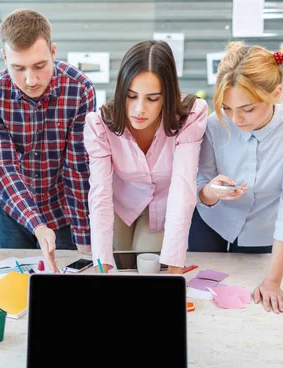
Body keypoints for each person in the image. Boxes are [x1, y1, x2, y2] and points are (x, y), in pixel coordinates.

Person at [188, 42, 283, 313]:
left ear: (275, 93)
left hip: (263, 225)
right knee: (199, 296)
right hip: (210, 220)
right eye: (226, 107)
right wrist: (211, 192)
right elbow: (200, 185)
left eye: (247, 109)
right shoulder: (214, 124)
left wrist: (273, 282)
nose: (235, 119)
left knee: (251, 304)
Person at [0, 9, 95, 272]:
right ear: (4, 57)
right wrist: (37, 224)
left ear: (53, 52)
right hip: (15, 213)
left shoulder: (79, 89)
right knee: (17, 286)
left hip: (64, 211)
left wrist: (84, 238)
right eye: (18, 68)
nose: (30, 80)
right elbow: (3, 166)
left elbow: (77, 168)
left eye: (39, 66)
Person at [84, 40, 208, 274]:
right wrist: (101, 265)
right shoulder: (100, 123)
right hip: (121, 206)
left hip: (163, 206)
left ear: (168, 96)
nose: (139, 109)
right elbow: (99, 194)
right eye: (131, 96)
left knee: (148, 269)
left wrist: (174, 269)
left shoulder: (190, 115)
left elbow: (183, 188)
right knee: (119, 266)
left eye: (152, 99)